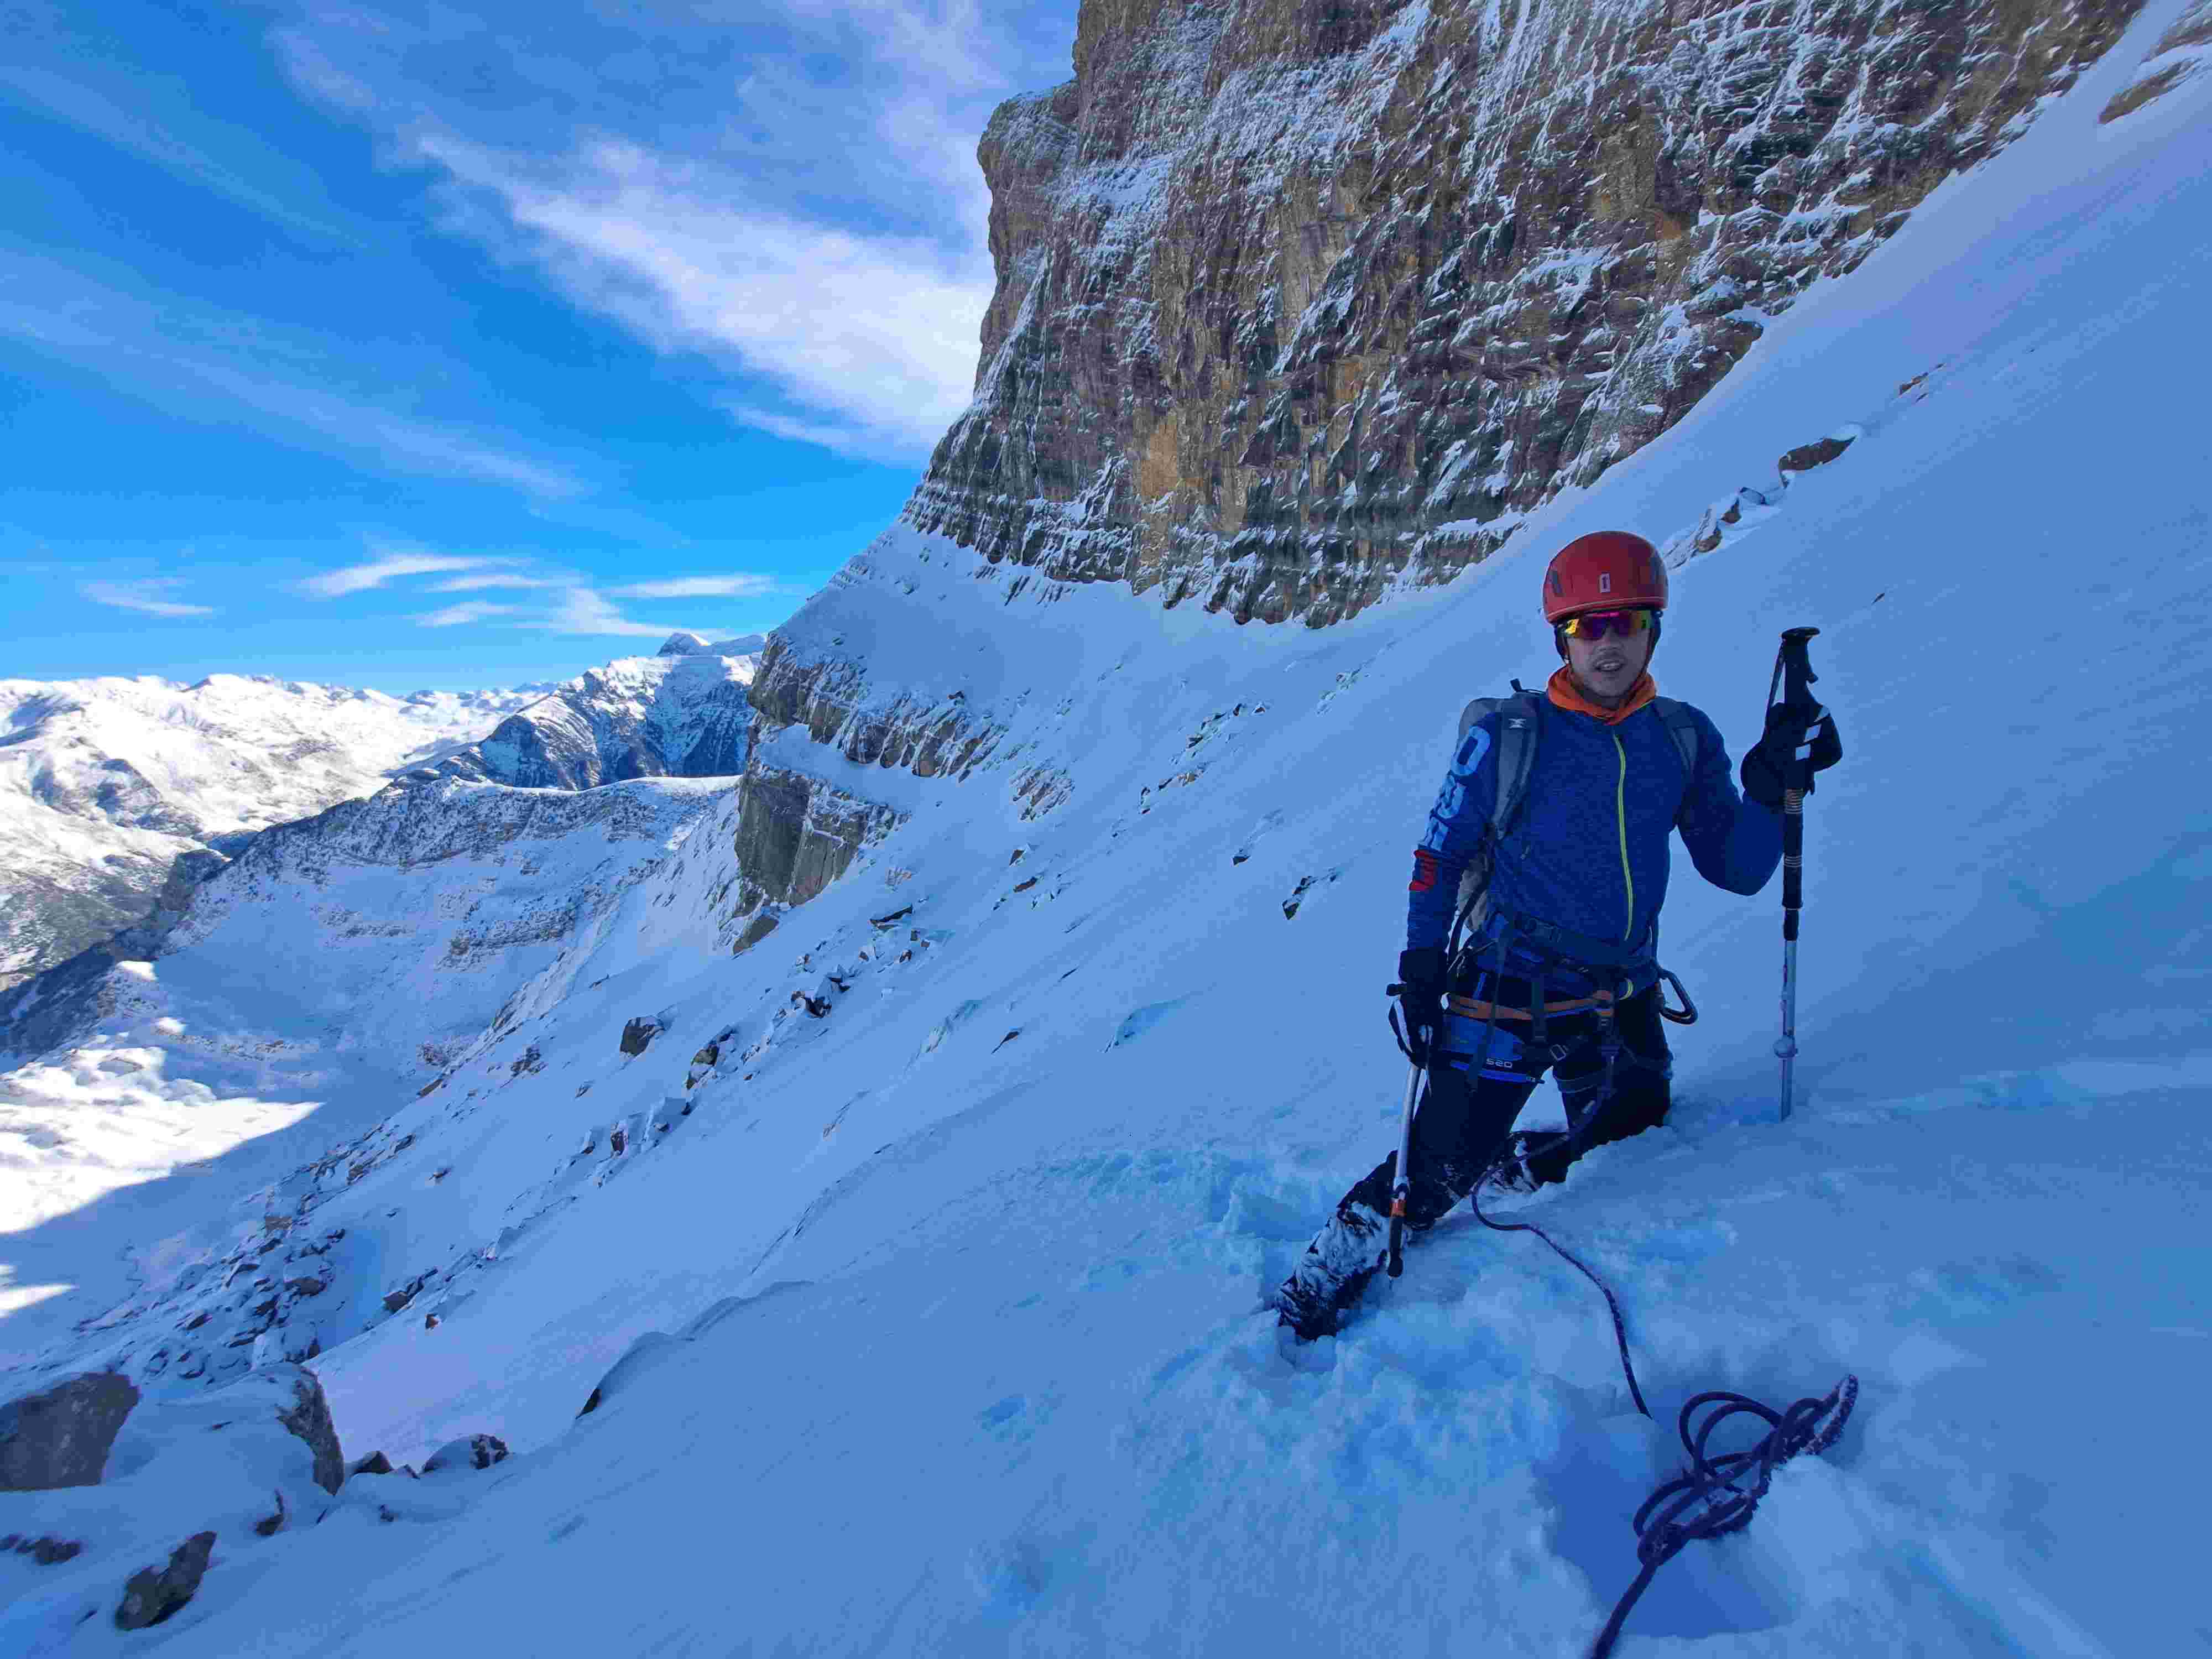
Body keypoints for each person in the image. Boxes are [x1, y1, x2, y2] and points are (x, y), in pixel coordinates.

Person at [1274, 530, 1840, 1342]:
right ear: (1560, 637)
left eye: (1625, 621)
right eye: (1587, 626)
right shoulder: (1509, 735)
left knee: (1633, 1130)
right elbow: (1440, 854)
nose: (1608, 643)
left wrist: (1769, 786)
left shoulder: (1682, 738)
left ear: (1654, 627)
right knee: (1436, 1169)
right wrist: (1420, 968)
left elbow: (1738, 868)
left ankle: (1525, 1165)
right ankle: (1325, 1272)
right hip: (1506, 989)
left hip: (1621, 992)